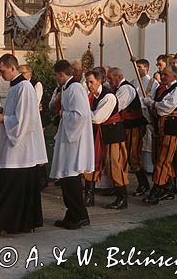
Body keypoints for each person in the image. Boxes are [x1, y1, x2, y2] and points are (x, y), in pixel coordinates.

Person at [0, 54, 47, 236]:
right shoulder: (16, 87)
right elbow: (16, 113)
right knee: (14, 188)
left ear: (12, 67)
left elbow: (25, 120)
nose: (1, 74)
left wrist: (2, 118)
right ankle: (21, 223)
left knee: (9, 188)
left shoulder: (24, 88)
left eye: (2, 70)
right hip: (15, 148)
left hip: (20, 150)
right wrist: (2, 111)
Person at [50, 60, 94, 230]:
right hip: (69, 138)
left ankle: (79, 215)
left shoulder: (75, 88)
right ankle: (73, 213)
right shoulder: (68, 88)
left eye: (56, 76)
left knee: (71, 177)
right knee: (67, 178)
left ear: (61, 74)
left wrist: (62, 113)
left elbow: (80, 115)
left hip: (74, 140)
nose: (56, 79)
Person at [84, 70, 129, 209]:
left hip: (112, 134)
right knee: (91, 163)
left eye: (91, 82)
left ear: (99, 81)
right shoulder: (91, 96)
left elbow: (97, 118)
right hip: (97, 134)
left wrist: (83, 112)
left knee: (114, 165)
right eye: (87, 82)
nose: (89, 85)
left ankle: (122, 198)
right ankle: (88, 197)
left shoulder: (108, 96)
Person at [142, 66, 177, 204]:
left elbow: (166, 107)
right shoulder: (162, 88)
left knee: (163, 160)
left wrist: (154, 104)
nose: (162, 76)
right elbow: (154, 101)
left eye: (165, 74)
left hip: (172, 127)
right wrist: (154, 103)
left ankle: (157, 188)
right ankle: (169, 187)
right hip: (161, 127)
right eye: (161, 74)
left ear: (173, 75)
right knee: (162, 158)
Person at [107, 67, 149, 197]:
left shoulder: (126, 89)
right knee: (121, 157)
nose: (108, 81)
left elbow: (115, 106)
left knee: (133, 156)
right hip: (125, 126)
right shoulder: (118, 89)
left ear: (118, 77)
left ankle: (144, 184)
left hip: (133, 126)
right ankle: (119, 185)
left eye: (110, 78)